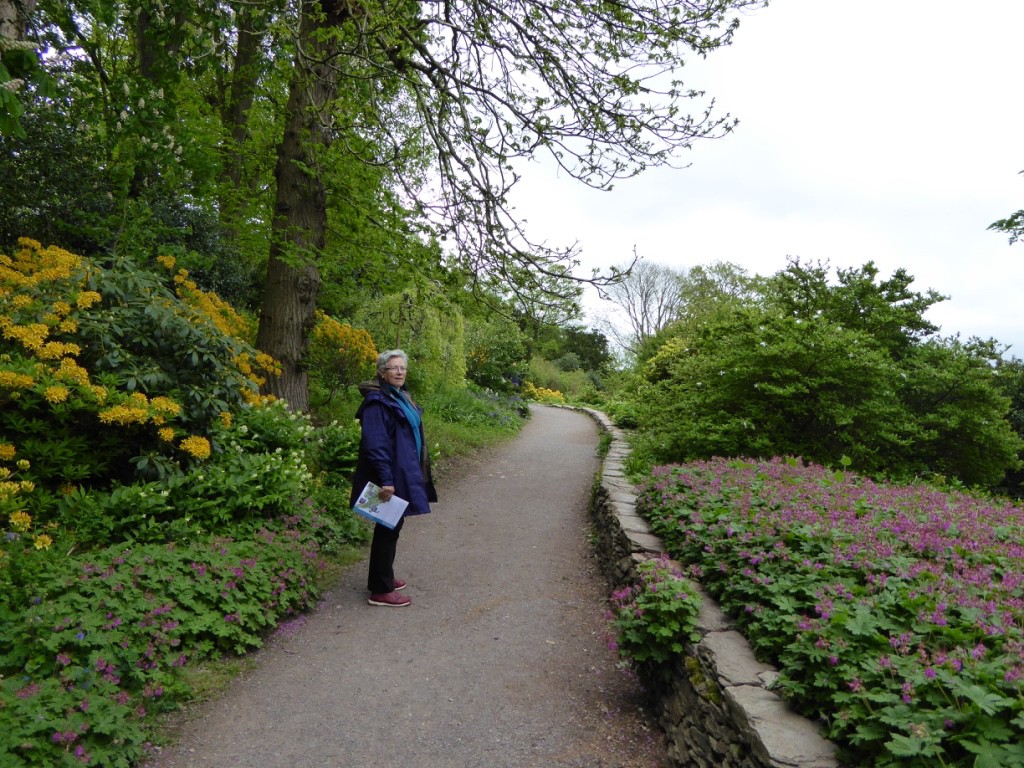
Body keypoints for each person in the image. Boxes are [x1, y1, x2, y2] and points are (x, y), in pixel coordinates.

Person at [350, 349, 436, 607]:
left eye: (402, 368)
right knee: (388, 527)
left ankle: (381, 577)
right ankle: (380, 590)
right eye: (393, 368)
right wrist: (386, 480)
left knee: (392, 526)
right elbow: (375, 445)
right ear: (381, 372)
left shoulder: (398, 396)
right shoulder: (377, 402)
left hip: (402, 471)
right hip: (389, 476)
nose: (399, 372)